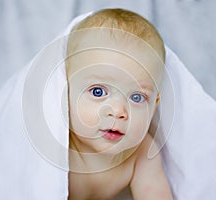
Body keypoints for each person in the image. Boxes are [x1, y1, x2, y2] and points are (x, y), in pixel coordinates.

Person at [66, 8, 173, 200]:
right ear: (66, 91)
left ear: (155, 105)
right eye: (98, 92)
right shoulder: (60, 145)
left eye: (137, 97)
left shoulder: (142, 153)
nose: (118, 112)